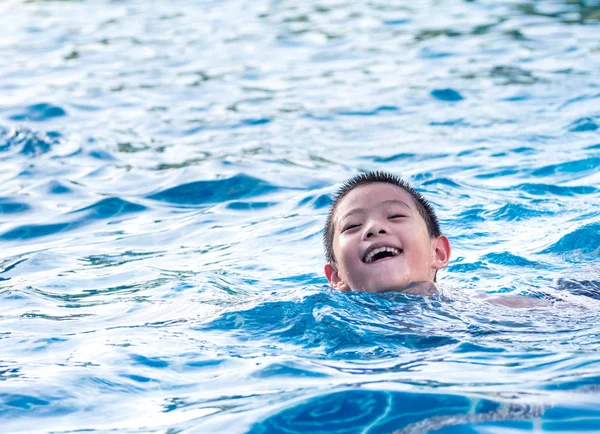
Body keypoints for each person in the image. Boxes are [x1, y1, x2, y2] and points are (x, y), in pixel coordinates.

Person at [323, 171, 450, 295]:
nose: (374, 227)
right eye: (353, 226)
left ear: (437, 252)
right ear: (336, 276)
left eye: (395, 216)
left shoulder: (466, 310)